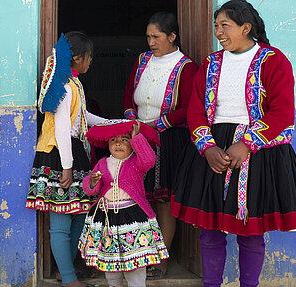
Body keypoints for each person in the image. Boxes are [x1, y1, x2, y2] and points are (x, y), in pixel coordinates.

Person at [170, 1, 296, 286]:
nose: (218, 32)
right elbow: (196, 109)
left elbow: (282, 111)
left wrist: (246, 144)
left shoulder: (273, 60)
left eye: (225, 26)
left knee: (250, 230)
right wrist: (207, 147)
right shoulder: (211, 64)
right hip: (213, 149)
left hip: (258, 152)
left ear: (246, 28)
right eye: (216, 26)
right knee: (209, 230)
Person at [25, 32, 106, 287]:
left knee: (80, 213)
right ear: (77, 58)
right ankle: (69, 279)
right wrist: (67, 167)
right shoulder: (64, 86)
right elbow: (61, 128)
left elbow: (83, 118)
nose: (90, 62)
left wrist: (116, 124)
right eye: (89, 57)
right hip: (59, 154)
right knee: (60, 219)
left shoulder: (73, 84)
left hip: (72, 152)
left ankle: (65, 271)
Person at [122, 11, 198, 278]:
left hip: (168, 139)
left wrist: (159, 124)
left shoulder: (186, 67)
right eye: (148, 37)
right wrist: (132, 118)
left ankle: (161, 258)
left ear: (172, 36)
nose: (151, 42)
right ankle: (138, 255)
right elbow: (128, 95)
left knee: (164, 199)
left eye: (156, 36)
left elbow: (190, 108)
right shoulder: (142, 60)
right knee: (137, 197)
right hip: (138, 137)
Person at [78, 120, 168, 287]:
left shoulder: (137, 162)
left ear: (132, 145)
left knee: (135, 260)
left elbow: (149, 160)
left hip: (132, 218)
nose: (118, 143)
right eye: (113, 140)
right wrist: (92, 181)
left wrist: (137, 138)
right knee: (111, 263)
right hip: (107, 220)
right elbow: (91, 190)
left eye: (124, 140)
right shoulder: (102, 163)